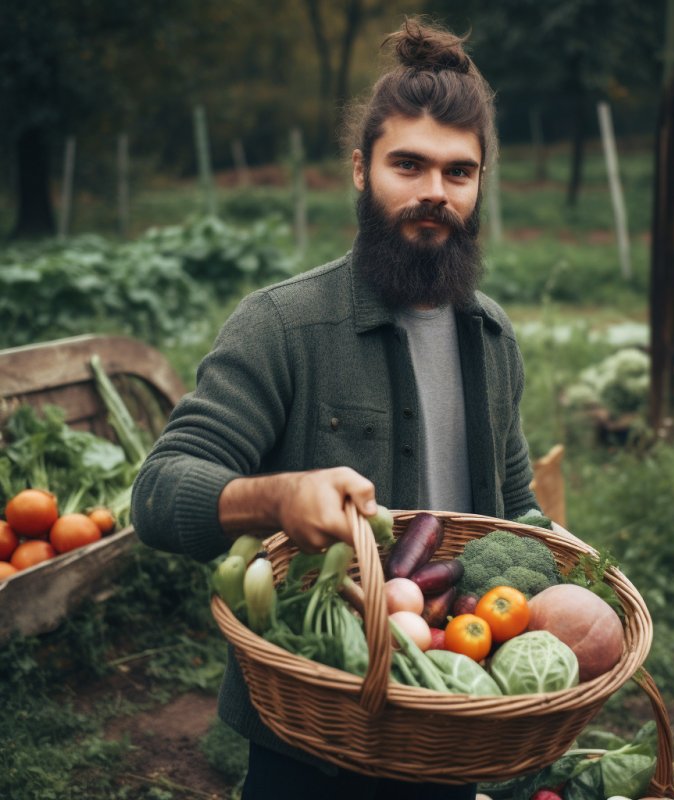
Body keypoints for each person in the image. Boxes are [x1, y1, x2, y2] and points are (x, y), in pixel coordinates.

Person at [131, 16, 540, 800]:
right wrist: (276, 496)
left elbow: (514, 507)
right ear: (360, 170)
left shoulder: (492, 337)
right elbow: (156, 493)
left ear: (481, 182)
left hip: (451, 712)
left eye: (459, 173)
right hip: (311, 732)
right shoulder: (282, 325)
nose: (434, 193)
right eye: (408, 166)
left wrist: (573, 589)